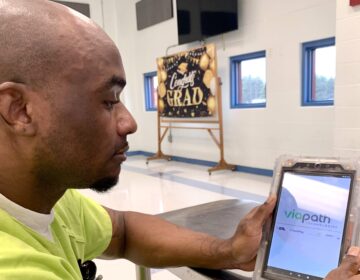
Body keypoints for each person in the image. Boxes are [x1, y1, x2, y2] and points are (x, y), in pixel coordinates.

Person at [0, 1, 357, 279]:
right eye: (108, 101)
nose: (129, 122)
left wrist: (229, 250)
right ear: (19, 110)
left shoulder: (50, 200)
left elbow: (123, 232)